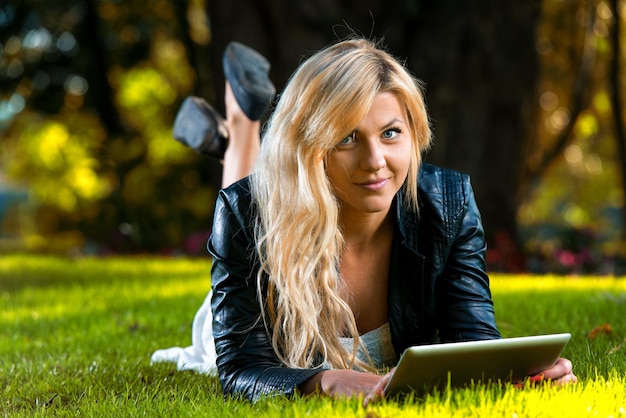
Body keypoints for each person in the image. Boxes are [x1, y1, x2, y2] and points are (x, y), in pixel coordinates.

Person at [160, 38, 577, 405]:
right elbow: (241, 369)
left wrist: (515, 376)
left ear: (414, 133)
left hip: (287, 186)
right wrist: (326, 382)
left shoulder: (447, 206)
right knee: (259, 196)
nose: (375, 162)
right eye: (347, 138)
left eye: (391, 133)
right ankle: (241, 124)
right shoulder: (243, 215)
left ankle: (234, 135)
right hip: (263, 254)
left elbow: (474, 342)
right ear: (309, 147)